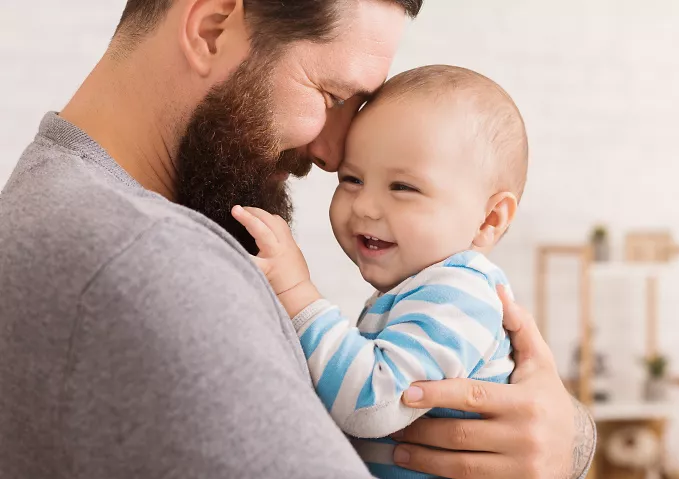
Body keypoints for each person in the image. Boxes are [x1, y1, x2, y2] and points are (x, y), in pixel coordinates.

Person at [0, 1, 595, 478]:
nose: (334, 153)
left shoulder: (54, 205)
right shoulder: (148, 260)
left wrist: (556, 435)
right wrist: (566, 447)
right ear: (212, 30)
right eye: (332, 97)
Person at [231, 65, 526, 479]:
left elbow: (372, 401)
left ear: (488, 219)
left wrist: (298, 292)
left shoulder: (460, 293)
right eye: (351, 179)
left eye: (402, 187)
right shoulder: (419, 290)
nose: (366, 206)